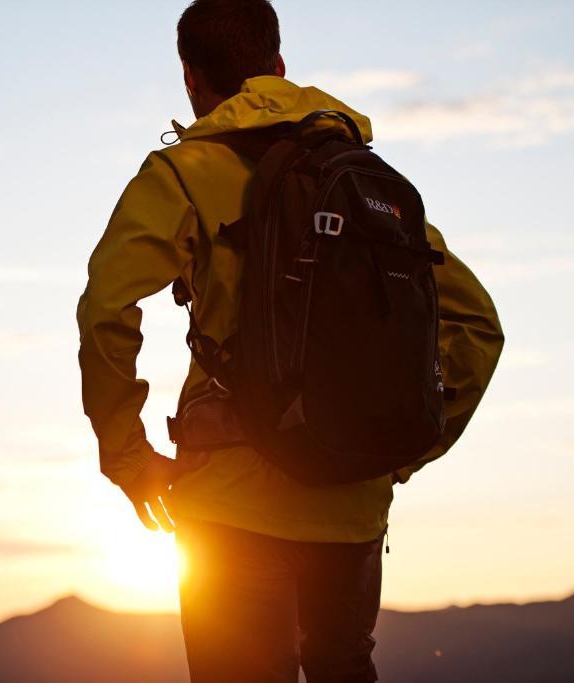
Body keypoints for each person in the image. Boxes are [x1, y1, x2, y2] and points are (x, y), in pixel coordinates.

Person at [76, 1, 504, 680]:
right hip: (351, 504)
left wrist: (130, 459)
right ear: (279, 65)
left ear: (190, 78)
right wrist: (401, 446)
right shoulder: (362, 178)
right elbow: (479, 324)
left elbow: (107, 306)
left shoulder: (185, 172)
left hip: (226, 501)